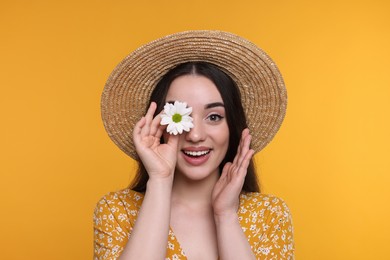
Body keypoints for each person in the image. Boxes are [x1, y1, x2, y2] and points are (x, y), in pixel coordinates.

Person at [94, 30, 294, 259]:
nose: (196, 135)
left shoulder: (269, 214)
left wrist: (226, 217)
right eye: (180, 117)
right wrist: (160, 179)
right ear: (158, 123)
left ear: (233, 126)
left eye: (214, 117)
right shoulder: (117, 211)